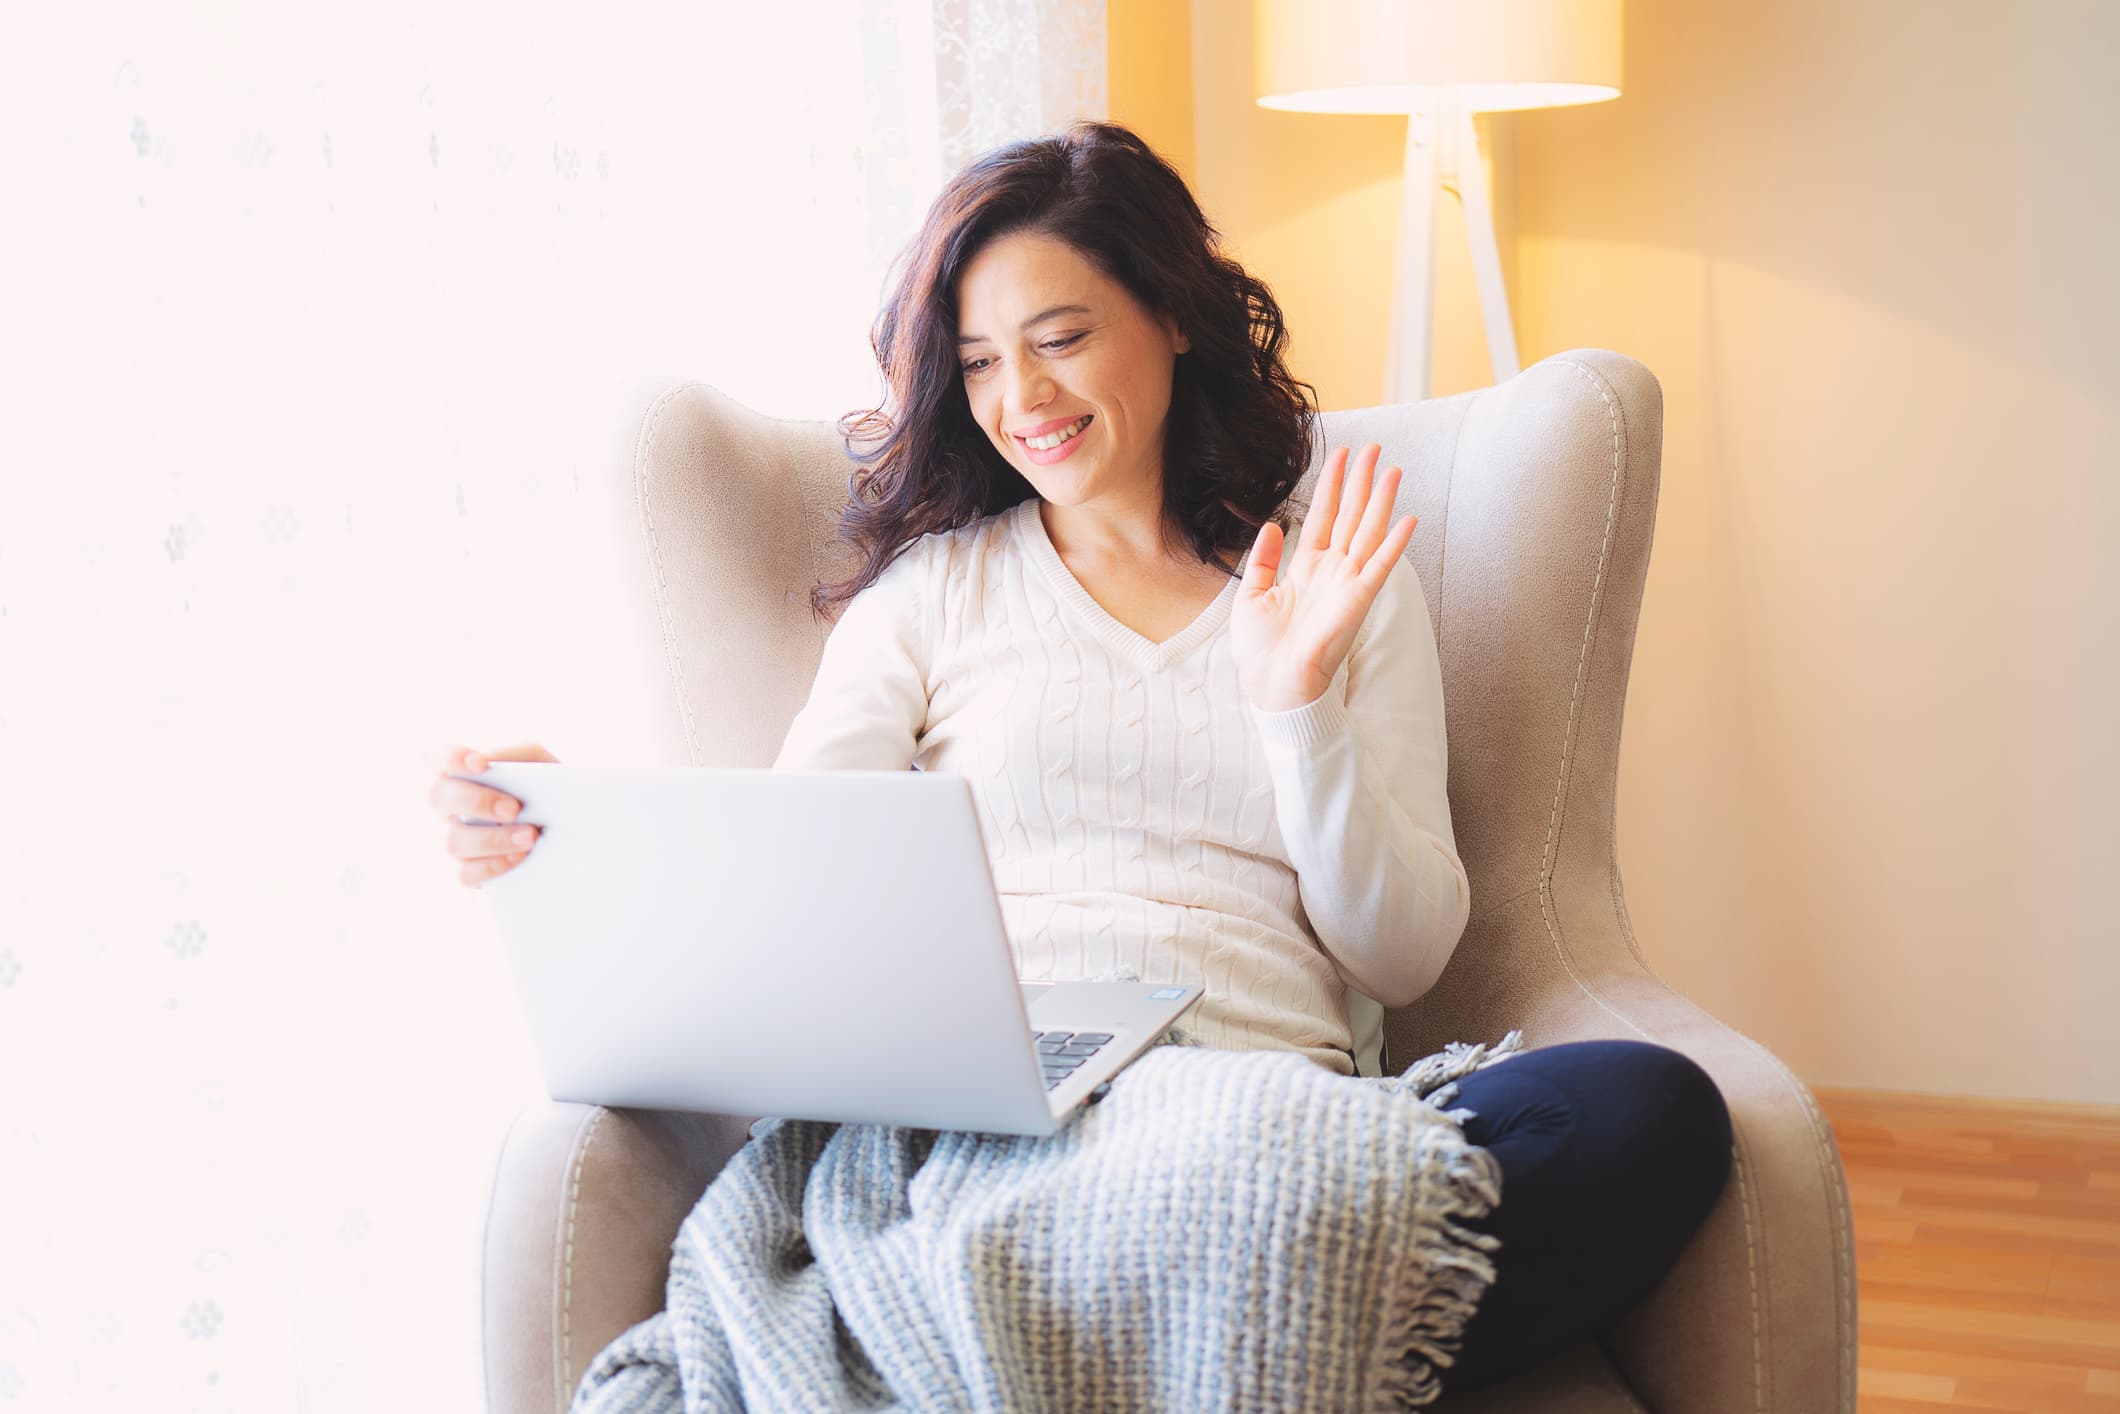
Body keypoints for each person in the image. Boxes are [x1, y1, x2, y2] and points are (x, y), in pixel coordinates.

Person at [425, 120, 1731, 1395]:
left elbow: (1399, 955)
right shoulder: (928, 597)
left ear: (1170, 315)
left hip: (1257, 1118)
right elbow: (790, 883)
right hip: (998, 1124)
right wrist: (559, 830)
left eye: (1060, 339)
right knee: (1201, 1216)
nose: (1023, 399)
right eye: (984, 361)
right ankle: (1186, 1328)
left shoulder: (1334, 583)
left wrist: (1295, 710)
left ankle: (1103, 1325)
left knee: (1650, 1112)